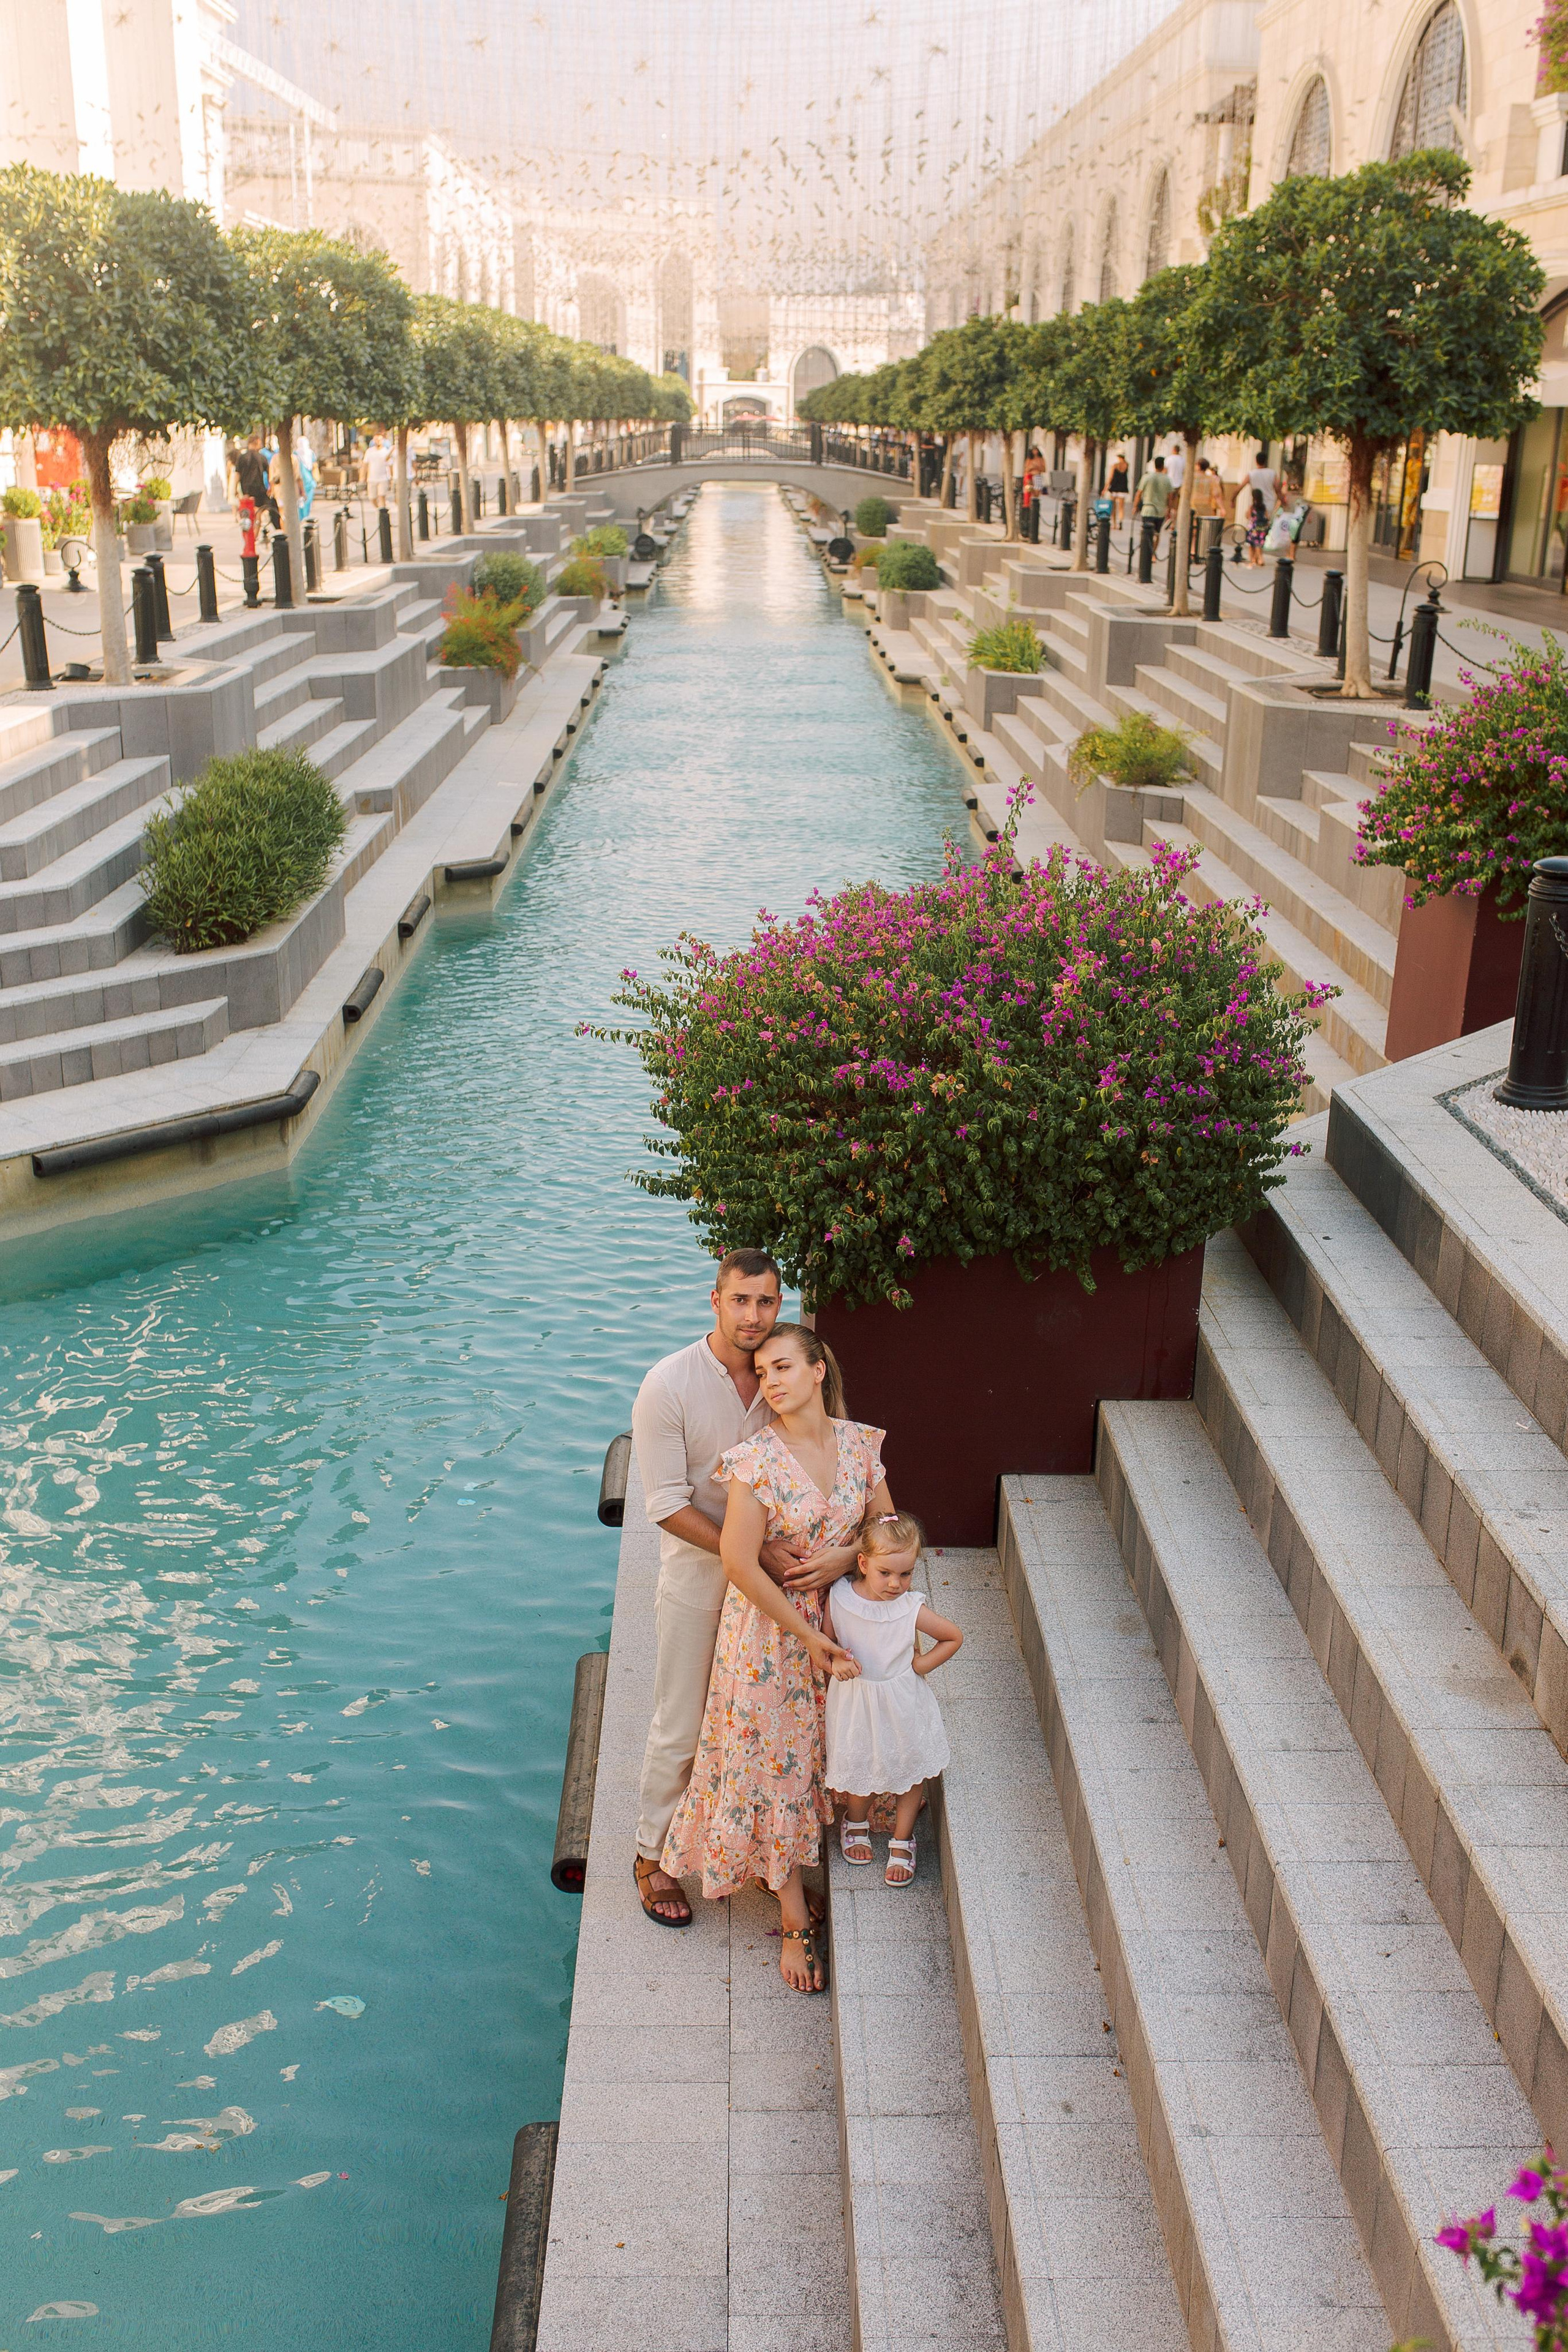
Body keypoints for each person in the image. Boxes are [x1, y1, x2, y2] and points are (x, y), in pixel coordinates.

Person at [661, 1325, 886, 1992]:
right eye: (762, 1373)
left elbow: (891, 1531)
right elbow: (737, 1560)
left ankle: (786, 1863)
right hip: (767, 1637)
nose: (771, 1381)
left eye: (783, 1366)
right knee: (771, 1767)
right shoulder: (754, 1460)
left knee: (809, 1753)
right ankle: (792, 1917)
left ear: (819, 1369)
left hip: (837, 1623)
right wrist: (804, 1633)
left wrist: (849, 1556)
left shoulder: (860, 1446)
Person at [628, 1249, 786, 1927]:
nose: (753, 1316)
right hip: (699, 1577)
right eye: (741, 1300)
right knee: (683, 1720)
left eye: (767, 1302)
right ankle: (650, 1855)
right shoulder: (667, 1384)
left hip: (777, 1578)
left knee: (758, 1717)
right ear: (714, 1300)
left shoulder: (789, 1372)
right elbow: (664, 1503)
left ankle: (746, 1846)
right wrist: (749, 1551)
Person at [826, 1512, 960, 1888]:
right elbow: (827, 1642)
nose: (896, 1584)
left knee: (909, 1767)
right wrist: (837, 1661)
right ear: (864, 1563)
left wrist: (919, 1665)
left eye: (906, 1574)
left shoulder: (909, 1608)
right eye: (886, 1573)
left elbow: (953, 1637)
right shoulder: (840, 1598)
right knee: (859, 1762)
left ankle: (902, 1838)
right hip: (857, 1700)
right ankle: (856, 1821)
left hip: (902, 1701)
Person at [1135, 452, 1172, 551]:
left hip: (1148, 509)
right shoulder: (1167, 479)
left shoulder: (1147, 477)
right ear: (1163, 466)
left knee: (1147, 532)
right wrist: (1169, 508)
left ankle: (1146, 551)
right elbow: (1170, 496)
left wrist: (1135, 507)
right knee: (1157, 533)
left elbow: (1139, 493)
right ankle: (1153, 553)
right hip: (1160, 511)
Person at [366, 432, 393, 511]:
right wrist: (363, 477)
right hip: (372, 478)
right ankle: (379, 510)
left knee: (382, 496)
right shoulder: (369, 451)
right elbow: (365, 465)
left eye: (380, 439)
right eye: (376, 439)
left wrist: (391, 477)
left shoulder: (386, 451)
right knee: (372, 498)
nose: (378, 441)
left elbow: (389, 464)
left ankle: (383, 514)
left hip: (383, 478)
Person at [1106, 448, 1129, 529]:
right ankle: (1121, 522)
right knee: (1121, 507)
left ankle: (1114, 524)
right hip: (1123, 488)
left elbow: (1110, 477)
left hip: (1114, 487)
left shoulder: (1115, 466)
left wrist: (1105, 488)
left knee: (1113, 507)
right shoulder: (1127, 465)